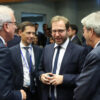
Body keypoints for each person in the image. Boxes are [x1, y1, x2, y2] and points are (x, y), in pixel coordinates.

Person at [38, 16, 86, 100]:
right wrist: (41, 76)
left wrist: (64, 79)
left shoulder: (79, 51)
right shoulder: (47, 49)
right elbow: (39, 70)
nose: (56, 35)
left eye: (60, 31)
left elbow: (84, 77)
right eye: (54, 31)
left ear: (68, 31)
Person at [10, 21, 42, 100]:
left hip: (37, 92)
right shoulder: (11, 52)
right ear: (20, 32)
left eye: (33, 33)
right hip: (20, 92)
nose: (32, 36)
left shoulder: (39, 50)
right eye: (28, 33)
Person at [0, 5, 26, 100]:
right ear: (6, 26)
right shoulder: (2, 51)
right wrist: (20, 95)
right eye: (14, 23)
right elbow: (4, 94)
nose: (15, 27)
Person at [74, 11, 100, 100]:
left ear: (91, 32)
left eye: (84, 30)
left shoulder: (95, 55)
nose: (83, 34)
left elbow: (83, 89)